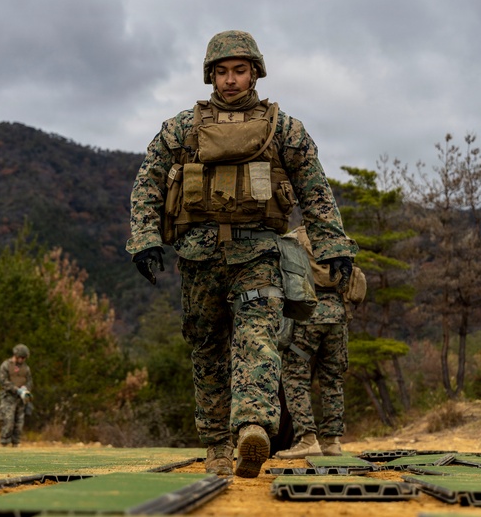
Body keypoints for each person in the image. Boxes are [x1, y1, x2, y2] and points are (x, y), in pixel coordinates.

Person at [126, 30, 357, 478]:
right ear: (210, 75)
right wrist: (144, 238)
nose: (231, 80)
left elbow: (314, 188)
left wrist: (332, 245)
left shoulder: (283, 129)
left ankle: (252, 427)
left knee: (258, 338)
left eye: (239, 70)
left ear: (255, 73)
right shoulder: (183, 127)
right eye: (222, 71)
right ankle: (216, 446)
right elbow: (148, 181)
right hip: (199, 256)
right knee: (207, 349)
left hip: (258, 254)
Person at [275, 226, 365, 459]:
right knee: (332, 378)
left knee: (295, 374)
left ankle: (307, 439)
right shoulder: (340, 237)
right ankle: (332, 441)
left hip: (309, 313)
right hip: (338, 315)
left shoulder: (295, 237)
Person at [0, 343, 33, 447]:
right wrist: (16, 389)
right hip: (8, 397)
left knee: (19, 423)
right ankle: (4, 443)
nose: (22, 360)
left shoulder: (26, 368)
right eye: (20, 357)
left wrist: (26, 389)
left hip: (21, 399)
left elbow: (30, 381)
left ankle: (16, 443)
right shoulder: (6, 365)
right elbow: (3, 381)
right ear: (15, 355)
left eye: (24, 358)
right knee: (8, 420)